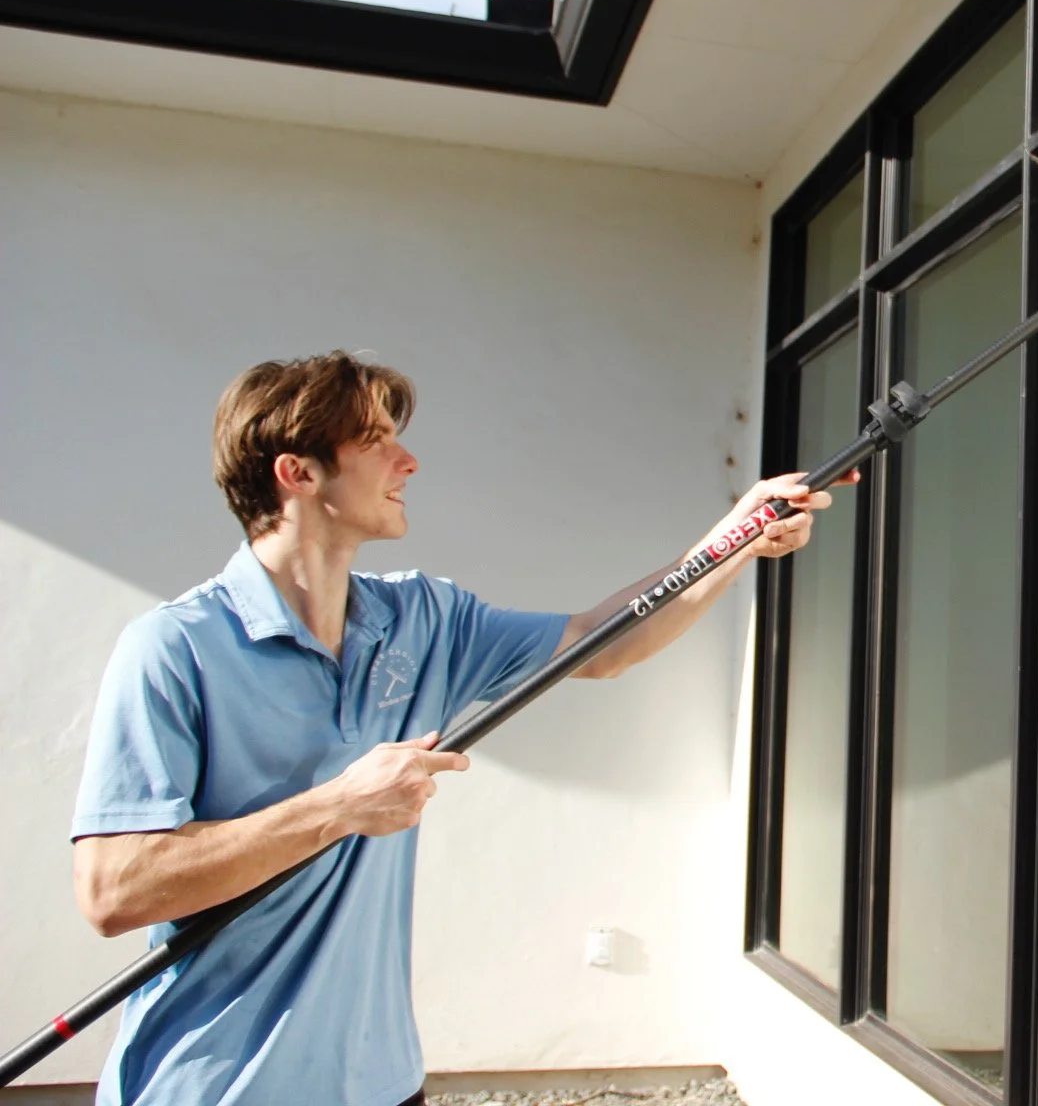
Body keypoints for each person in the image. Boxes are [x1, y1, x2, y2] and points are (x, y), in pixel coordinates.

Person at [69, 352, 848, 1106]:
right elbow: (114, 889)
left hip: (380, 1080)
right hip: (214, 1087)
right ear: (298, 473)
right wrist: (338, 807)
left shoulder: (421, 618)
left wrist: (733, 539)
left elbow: (597, 646)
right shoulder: (175, 648)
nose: (407, 462)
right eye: (376, 442)